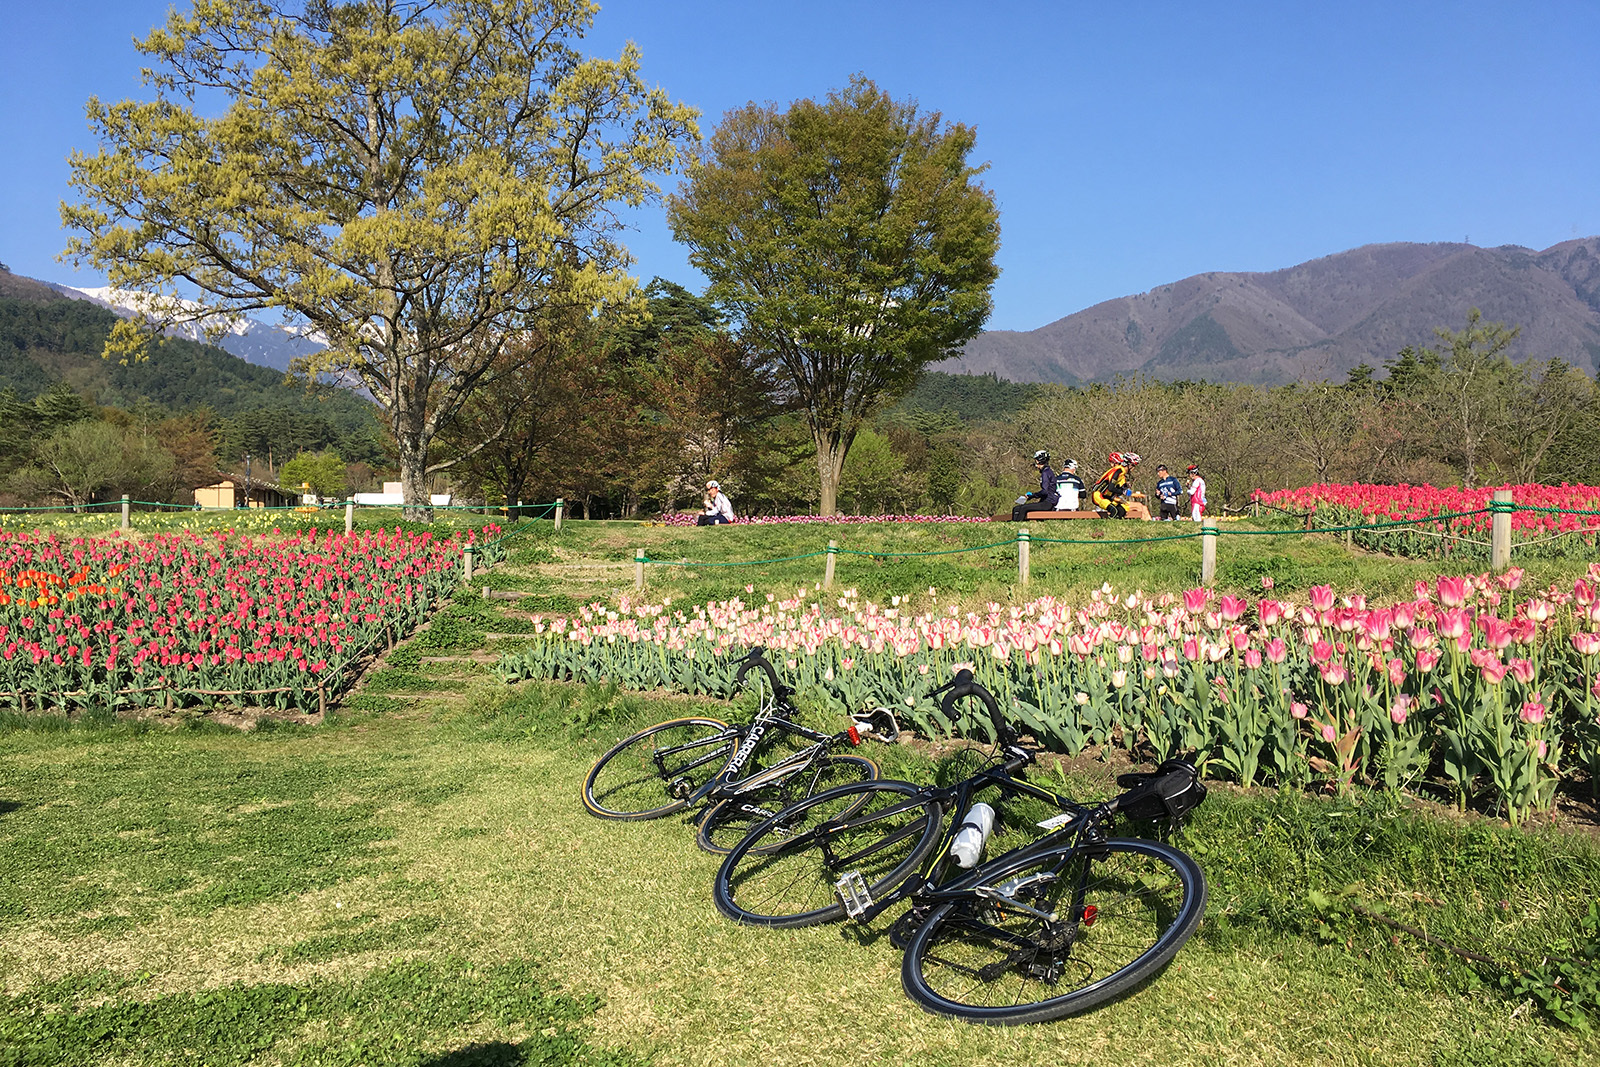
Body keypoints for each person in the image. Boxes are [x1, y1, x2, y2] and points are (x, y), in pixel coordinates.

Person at [1012, 449, 1059, 521]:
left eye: (1036, 460)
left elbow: (1045, 491)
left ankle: (1016, 527)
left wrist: (1032, 495)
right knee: (1017, 508)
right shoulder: (1048, 471)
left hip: (1047, 503)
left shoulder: (1045, 473)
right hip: (1048, 501)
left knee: (1022, 508)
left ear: (1039, 461)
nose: (1036, 463)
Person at [1091, 451, 1140, 518]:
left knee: (1122, 511)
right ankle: (1105, 527)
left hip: (1108, 496)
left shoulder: (1122, 473)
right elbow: (1111, 488)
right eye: (1133, 465)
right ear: (1128, 464)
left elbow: (1119, 488)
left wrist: (1125, 488)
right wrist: (1123, 491)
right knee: (1114, 511)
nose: (1133, 468)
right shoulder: (1118, 471)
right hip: (1098, 494)